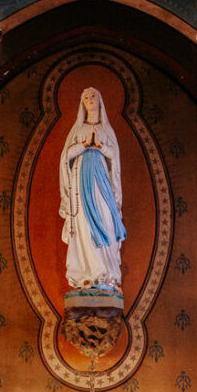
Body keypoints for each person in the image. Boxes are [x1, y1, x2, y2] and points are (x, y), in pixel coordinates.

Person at [59, 87, 126, 292]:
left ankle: (106, 275)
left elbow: (114, 156)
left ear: (100, 101)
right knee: (83, 226)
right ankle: (87, 276)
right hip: (81, 183)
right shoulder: (77, 129)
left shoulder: (106, 130)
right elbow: (65, 157)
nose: (89, 99)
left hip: (100, 182)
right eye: (85, 96)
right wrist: (84, 144)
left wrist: (99, 147)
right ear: (82, 103)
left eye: (93, 96)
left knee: (106, 220)